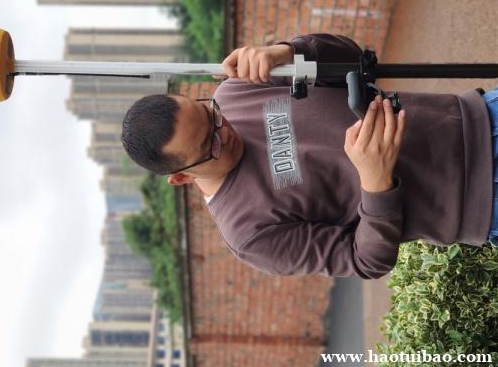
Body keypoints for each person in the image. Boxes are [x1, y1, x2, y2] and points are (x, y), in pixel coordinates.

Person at [121, 34, 496, 279]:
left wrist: (288, 52)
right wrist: (375, 182)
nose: (226, 131)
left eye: (210, 114)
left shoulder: (236, 90)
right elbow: (366, 261)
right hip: (481, 203)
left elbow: (354, 58)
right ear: (182, 177)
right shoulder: (249, 234)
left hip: (478, 115)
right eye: (210, 145)